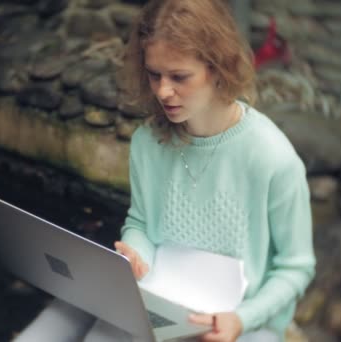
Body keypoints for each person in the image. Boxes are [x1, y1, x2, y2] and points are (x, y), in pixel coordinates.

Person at [17, 0, 315, 341]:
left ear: (218, 68)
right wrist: (135, 253)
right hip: (162, 302)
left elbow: (296, 267)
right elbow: (141, 223)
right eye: (154, 74)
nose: (162, 90)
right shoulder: (148, 142)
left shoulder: (273, 158)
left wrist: (242, 319)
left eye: (179, 76)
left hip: (239, 321)